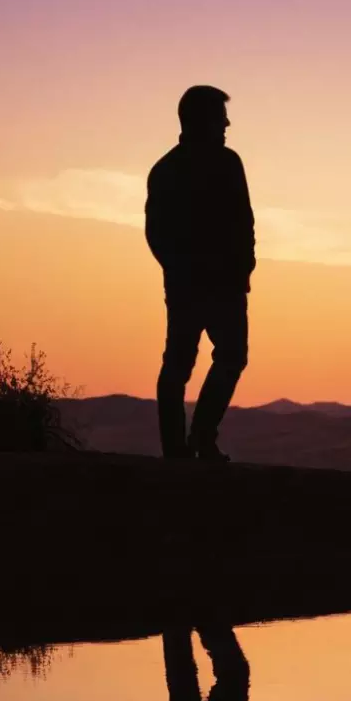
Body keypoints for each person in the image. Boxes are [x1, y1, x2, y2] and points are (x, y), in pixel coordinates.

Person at [146, 85, 256, 461]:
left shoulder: (227, 163)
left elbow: (244, 219)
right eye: (220, 117)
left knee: (227, 357)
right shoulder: (168, 170)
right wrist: (183, 270)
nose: (227, 124)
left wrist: (244, 265)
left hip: (223, 284)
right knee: (181, 364)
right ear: (201, 120)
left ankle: (199, 439)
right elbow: (157, 233)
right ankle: (180, 448)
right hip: (192, 285)